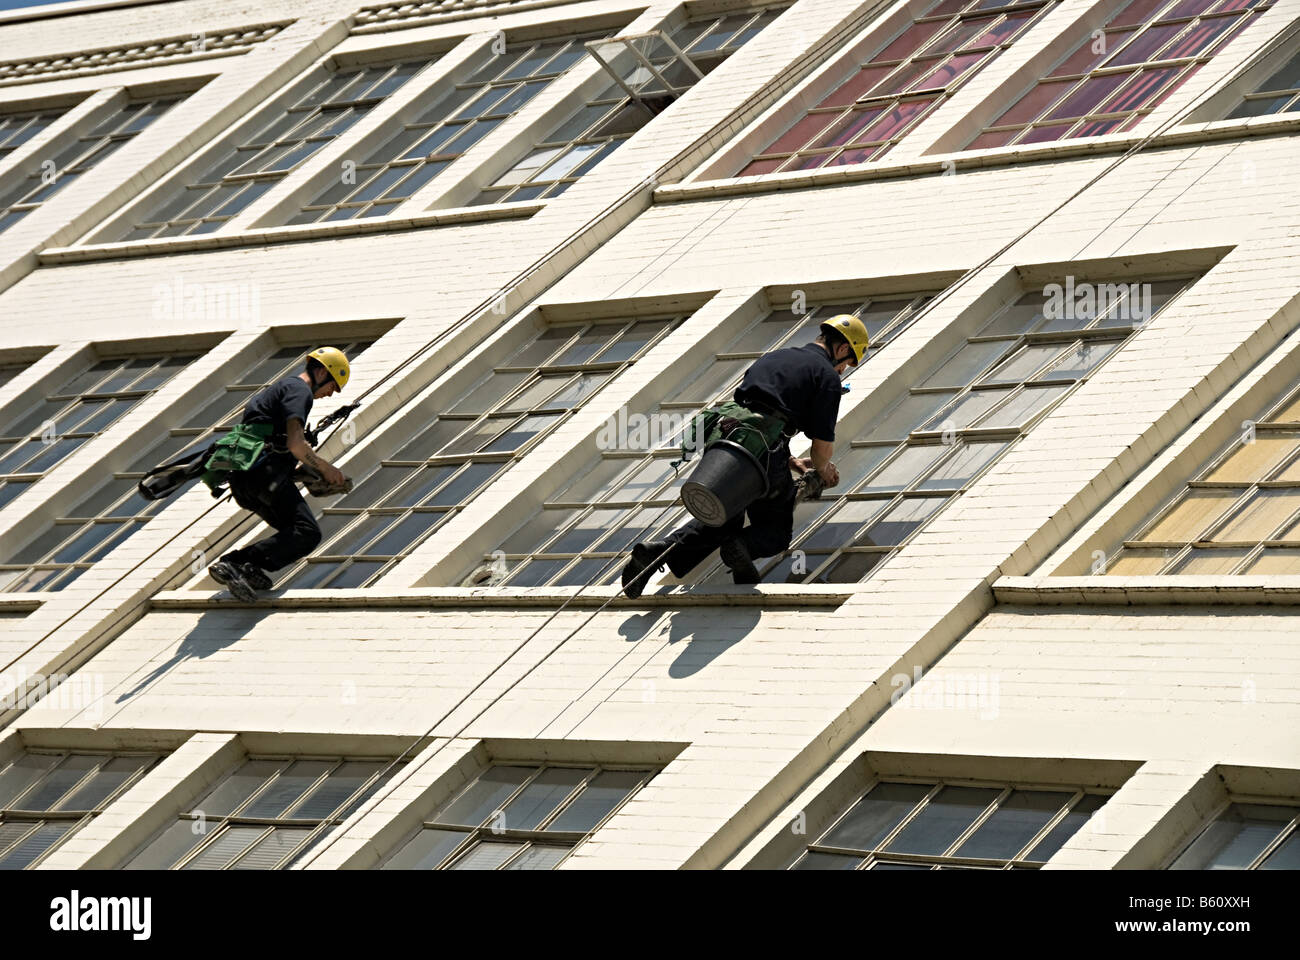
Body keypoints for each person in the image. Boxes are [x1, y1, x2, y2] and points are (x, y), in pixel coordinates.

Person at [621, 314, 869, 598]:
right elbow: (821, 446)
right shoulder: (825, 377)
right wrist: (823, 470)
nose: (842, 372)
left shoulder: (776, 357)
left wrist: (789, 462)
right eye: (846, 364)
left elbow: (759, 416)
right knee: (775, 530)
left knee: (723, 515)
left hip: (728, 439)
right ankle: (740, 549)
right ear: (841, 349)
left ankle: (656, 553)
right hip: (762, 451)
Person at [207, 347, 350, 601]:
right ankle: (236, 562)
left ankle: (248, 568)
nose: (329, 395)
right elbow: (296, 444)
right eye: (332, 387)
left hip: (245, 482)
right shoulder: (299, 391)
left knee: (293, 534)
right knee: (308, 532)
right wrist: (325, 468)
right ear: (320, 372)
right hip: (264, 476)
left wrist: (306, 474)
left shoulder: (282, 389)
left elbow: (278, 444)